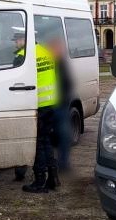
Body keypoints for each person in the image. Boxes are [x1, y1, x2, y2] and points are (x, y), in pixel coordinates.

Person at [16, 28, 60, 193]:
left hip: (36, 106)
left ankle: (39, 181)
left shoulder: (22, 56)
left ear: (24, 40)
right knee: (46, 141)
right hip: (51, 104)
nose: (16, 43)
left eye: (18, 40)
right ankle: (53, 178)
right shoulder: (45, 51)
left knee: (37, 145)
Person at [45, 35, 74, 173]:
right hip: (50, 106)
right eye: (55, 47)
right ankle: (50, 164)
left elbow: (68, 84)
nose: (57, 50)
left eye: (58, 47)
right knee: (48, 137)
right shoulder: (48, 62)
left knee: (63, 135)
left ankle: (63, 163)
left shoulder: (61, 62)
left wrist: (64, 101)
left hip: (60, 106)